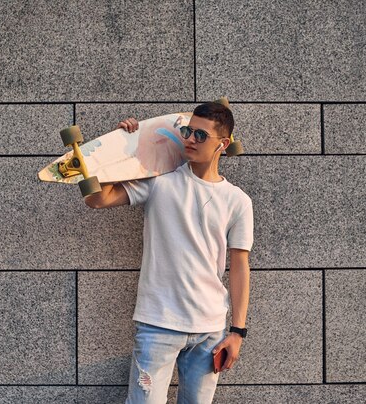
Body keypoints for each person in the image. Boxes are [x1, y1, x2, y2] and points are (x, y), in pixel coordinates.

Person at [84, 102, 253, 404]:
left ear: (222, 144)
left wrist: (237, 332)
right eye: (187, 131)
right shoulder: (160, 182)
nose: (189, 139)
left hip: (210, 331)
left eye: (200, 135)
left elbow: (239, 266)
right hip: (157, 324)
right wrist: (119, 149)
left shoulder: (237, 201)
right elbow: (97, 200)